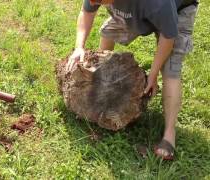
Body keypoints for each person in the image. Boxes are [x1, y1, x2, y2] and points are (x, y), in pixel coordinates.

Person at [67, 0, 198, 160]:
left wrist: (153, 74)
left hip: (177, 11)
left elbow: (168, 38)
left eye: (100, 1)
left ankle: (169, 135)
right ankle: (103, 88)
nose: (95, 2)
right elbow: (87, 12)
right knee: (108, 32)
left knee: (171, 69)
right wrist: (79, 47)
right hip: (137, 9)